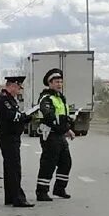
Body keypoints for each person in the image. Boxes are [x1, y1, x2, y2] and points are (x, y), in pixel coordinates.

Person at [36, 68, 75, 201]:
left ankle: (59, 189)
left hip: (59, 135)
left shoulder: (60, 98)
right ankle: (41, 192)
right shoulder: (46, 98)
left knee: (66, 162)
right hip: (50, 135)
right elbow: (50, 117)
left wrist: (67, 129)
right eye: (56, 82)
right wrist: (64, 124)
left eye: (60, 82)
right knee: (48, 164)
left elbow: (62, 117)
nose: (59, 84)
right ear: (50, 83)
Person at [0, 76, 34, 208]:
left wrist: (27, 118)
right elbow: (12, 116)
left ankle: (11, 197)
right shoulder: (2, 99)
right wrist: (25, 116)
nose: (19, 91)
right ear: (11, 85)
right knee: (14, 168)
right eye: (18, 88)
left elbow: (17, 116)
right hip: (8, 137)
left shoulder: (10, 99)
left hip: (13, 137)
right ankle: (18, 198)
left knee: (10, 168)